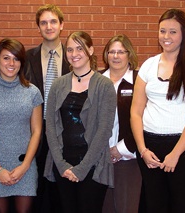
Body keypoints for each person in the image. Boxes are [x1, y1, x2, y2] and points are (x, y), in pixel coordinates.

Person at [130, 9, 185, 212]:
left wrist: (176, 154)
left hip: (183, 148)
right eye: (163, 31)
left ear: (184, 34)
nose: (166, 37)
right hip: (150, 148)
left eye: (173, 32)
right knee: (155, 204)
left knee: (183, 204)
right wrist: (142, 150)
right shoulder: (148, 65)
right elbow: (136, 112)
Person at [44, 31, 117, 213]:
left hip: (93, 164)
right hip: (63, 163)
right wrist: (61, 164)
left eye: (80, 48)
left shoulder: (104, 85)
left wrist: (83, 168)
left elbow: (104, 129)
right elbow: (50, 126)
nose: (74, 54)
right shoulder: (57, 85)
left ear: (90, 50)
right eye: (70, 49)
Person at [0, 38, 43, 213]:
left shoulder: (33, 92)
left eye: (16, 58)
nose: (11, 63)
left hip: (25, 166)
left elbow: (36, 132)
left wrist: (25, 166)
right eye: (6, 58)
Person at [24, 4, 70, 213]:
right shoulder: (26, 58)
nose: (48, 26)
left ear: (62, 25)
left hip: (65, 131)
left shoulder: (74, 56)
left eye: (53, 21)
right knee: (37, 190)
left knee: (62, 190)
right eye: (43, 22)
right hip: (36, 130)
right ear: (38, 27)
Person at [100, 34, 142, 213]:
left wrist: (121, 149)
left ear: (129, 54)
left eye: (121, 52)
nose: (115, 56)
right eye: (112, 52)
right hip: (101, 161)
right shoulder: (97, 80)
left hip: (128, 160)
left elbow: (145, 119)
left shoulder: (140, 82)